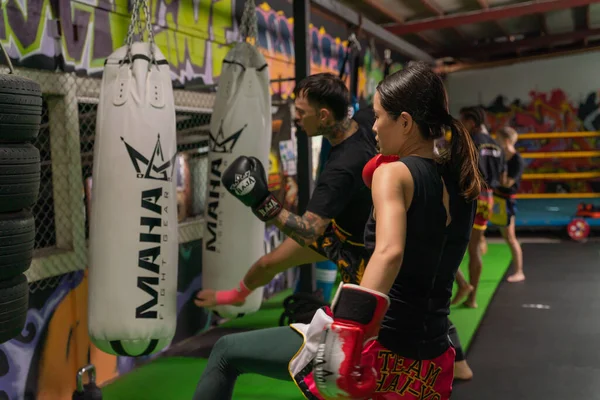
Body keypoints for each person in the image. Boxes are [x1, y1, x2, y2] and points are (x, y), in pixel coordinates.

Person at [192, 62, 482, 400]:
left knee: (226, 352)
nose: (372, 127)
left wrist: (349, 332)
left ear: (404, 122)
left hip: (382, 346)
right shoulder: (463, 182)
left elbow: (390, 253)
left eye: (378, 117)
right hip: (430, 359)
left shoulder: (394, 174)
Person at [451, 106, 504, 308]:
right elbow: (502, 177)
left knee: (447, 242)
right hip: (489, 197)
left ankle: (463, 284)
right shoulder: (497, 145)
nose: (462, 125)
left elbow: (463, 172)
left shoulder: (472, 142)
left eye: (463, 121)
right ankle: (471, 299)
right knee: (474, 249)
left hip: (471, 196)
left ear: (471, 122)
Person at [494, 126, 525, 282]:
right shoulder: (500, 156)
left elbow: (506, 183)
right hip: (495, 197)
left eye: (498, 139)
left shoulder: (517, 160)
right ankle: (481, 244)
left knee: (510, 237)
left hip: (506, 200)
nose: (496, 142)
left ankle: (519, 271)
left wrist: (500, 170)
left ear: (505, 141)